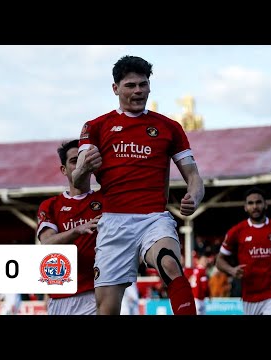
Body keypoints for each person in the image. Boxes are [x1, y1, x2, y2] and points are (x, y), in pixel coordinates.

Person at [72, 55, 205, 315]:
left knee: (169, 263)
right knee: (107, 309)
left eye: (143, 85)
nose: (138, 91)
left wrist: (195, 195)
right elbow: (78, 181)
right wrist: (84, 167)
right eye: (130, 86)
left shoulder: (169, 127)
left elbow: (194, 177)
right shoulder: (96, 127)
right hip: (113, 223)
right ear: (115, 89)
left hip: (153, 218)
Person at [36, 139, 103, 315]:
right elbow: (48, 242)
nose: (80, 165)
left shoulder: (106, 200)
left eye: (83, 159)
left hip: (94, 294)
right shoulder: (50, 205)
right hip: (59, 298)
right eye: (74, 161)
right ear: (64, 170)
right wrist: (77, 230)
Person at [215, 186, 271, 315]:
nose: (255, 206)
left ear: (265, 205)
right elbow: (219, 260)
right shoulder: (236, 232)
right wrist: (232, 270)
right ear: (245, 207)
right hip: (249, 294)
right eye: (250, 203)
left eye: (258, 202)